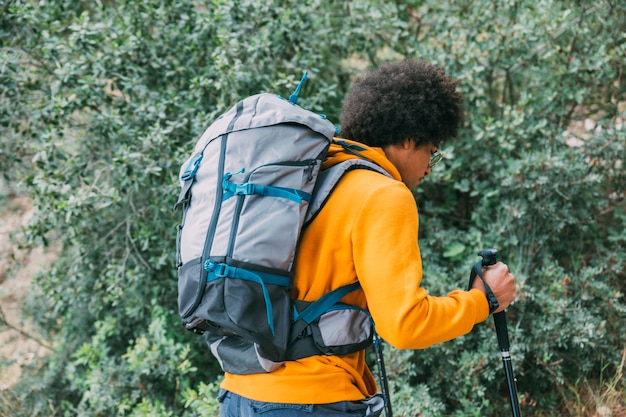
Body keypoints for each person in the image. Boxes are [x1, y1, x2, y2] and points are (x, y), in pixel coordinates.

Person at [217, 60, 517, 416]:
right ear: (408, 139)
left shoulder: (311, 177)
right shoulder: (382, 194)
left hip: (239, 394)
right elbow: (405, 325)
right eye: (431, 153)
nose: (427, 168)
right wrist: (482, 301)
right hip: (312, 401)